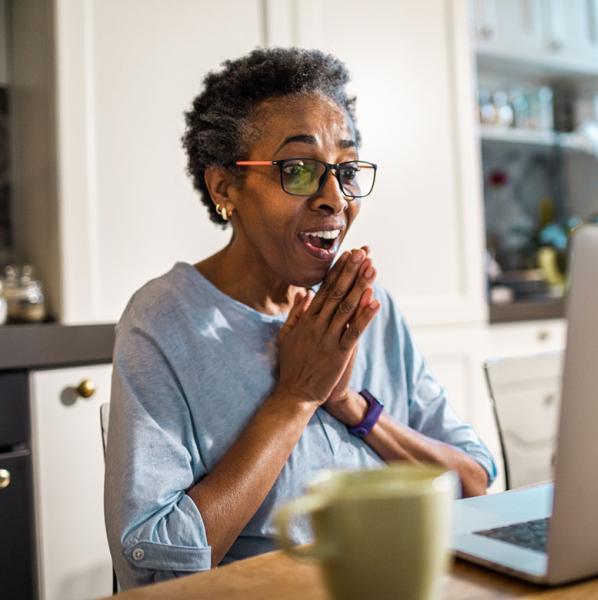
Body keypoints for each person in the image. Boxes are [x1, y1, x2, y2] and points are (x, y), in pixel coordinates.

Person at [104, 47, 496, 590]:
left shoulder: (366, 305)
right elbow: (152, 566)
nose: (334, 198)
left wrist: (352, 406)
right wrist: (297, 398)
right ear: (225, 188)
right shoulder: (164, 320)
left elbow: (476, 484)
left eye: (347, 170)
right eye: (300, 169)